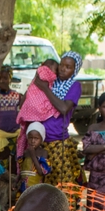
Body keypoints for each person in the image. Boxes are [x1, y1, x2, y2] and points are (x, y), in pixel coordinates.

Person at [35, 51, 84, 186]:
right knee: (37, 183)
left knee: (61, 184)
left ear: (75, 70)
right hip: (37, 140)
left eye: (68, 67)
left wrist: (45, 89)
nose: (63, 69)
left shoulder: (74, 86)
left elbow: (63, 108)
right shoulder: (50, 81)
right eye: (61, 65)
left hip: (57, 141)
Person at [0, 65, 22, 162]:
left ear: (10, 80)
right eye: (0, 78)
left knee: (13, 160)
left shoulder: (16, 95)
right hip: (1, 135)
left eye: (5, 78)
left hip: (14, 134)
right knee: (1, 159)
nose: (2, 81)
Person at [18, 122, 49, 194]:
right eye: (30, 138)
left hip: (36, 189)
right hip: (24, 188)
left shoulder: (43, 153)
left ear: (41, 140)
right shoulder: (25, 152)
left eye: (36, 138)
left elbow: (41, 172)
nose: (33, 141)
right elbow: (22, 170)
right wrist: (16, 182)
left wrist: (33, 155)